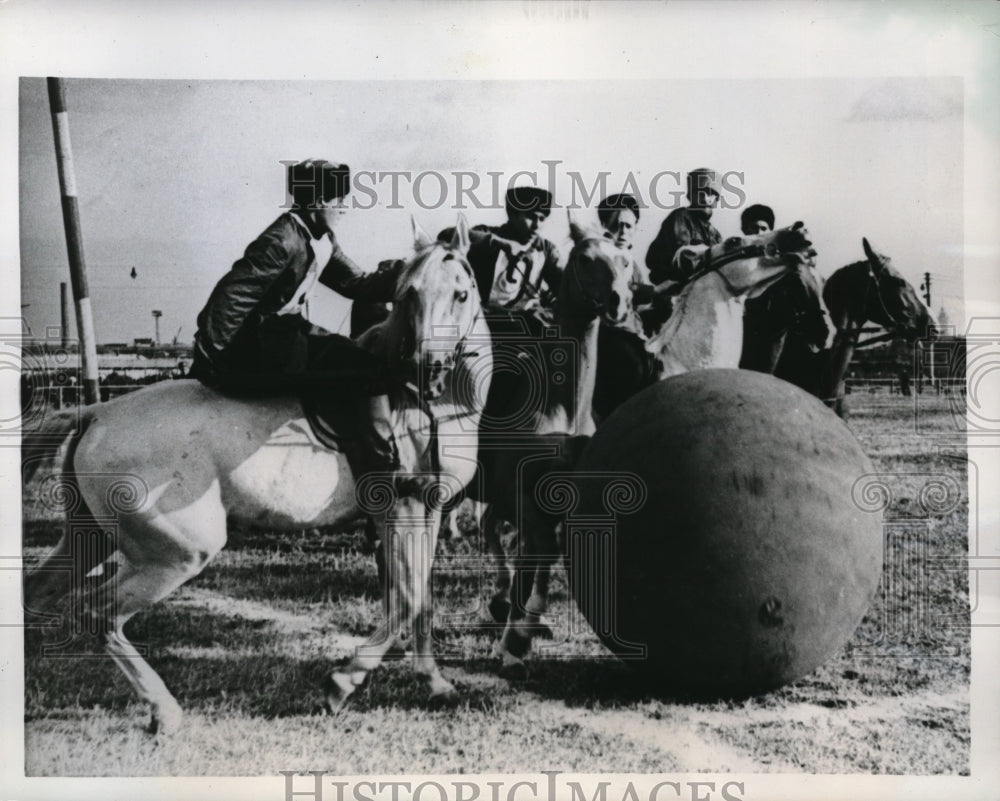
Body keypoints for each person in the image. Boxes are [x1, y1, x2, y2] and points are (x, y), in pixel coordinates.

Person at [191, 159, 402, 473]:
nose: (345, 207)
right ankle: (382, 465)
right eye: (338, 200)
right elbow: (231, 295)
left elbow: (356, 284)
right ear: (317, 201)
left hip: (288, 334)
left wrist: (407, 275)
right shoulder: (281, 240)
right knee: (368, 367)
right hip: (270, 340)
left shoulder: (322, 238)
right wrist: (213, 357)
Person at [644, 167, 724, 285]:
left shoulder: (715, 234)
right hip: (674, 285)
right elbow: (682, 256)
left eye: (711, 194)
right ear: (691, 196)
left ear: (716, 200)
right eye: (700, 192)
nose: (706, 198)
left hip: (703, 286)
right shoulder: (681, 216)